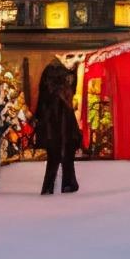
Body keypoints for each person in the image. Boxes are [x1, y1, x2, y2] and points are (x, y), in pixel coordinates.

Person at [34, 60, 80, 195]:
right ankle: (67, 184)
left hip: (51, 129)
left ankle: (50, 186)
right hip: (63, 129)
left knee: (53, 159)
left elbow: (41, 107)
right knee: (66, 158)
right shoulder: (64, 93)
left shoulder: (49, 91)